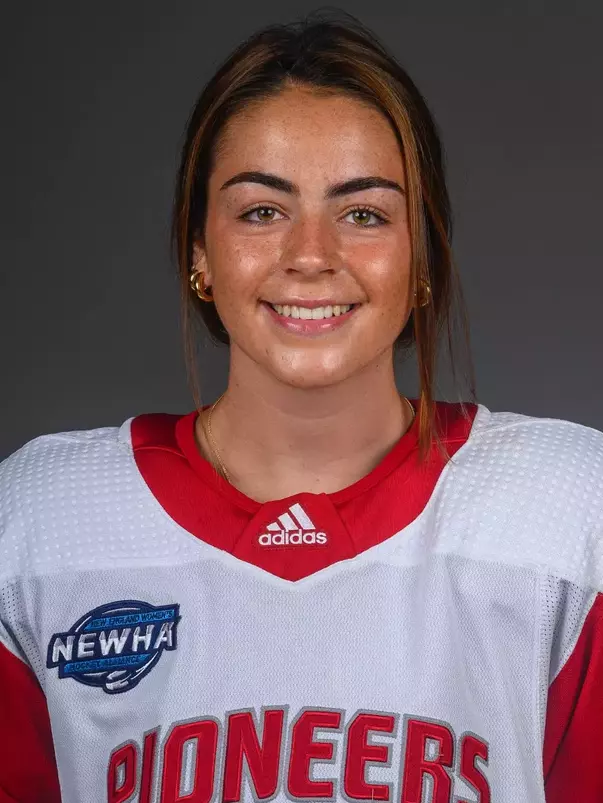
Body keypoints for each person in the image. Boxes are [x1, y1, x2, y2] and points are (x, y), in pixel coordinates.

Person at [0, 10, 601, 803]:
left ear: (422, 256)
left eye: (363, 214)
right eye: (260, 211)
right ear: (198, 254)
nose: (311, 255)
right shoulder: (39, 526)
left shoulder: (565, 516)